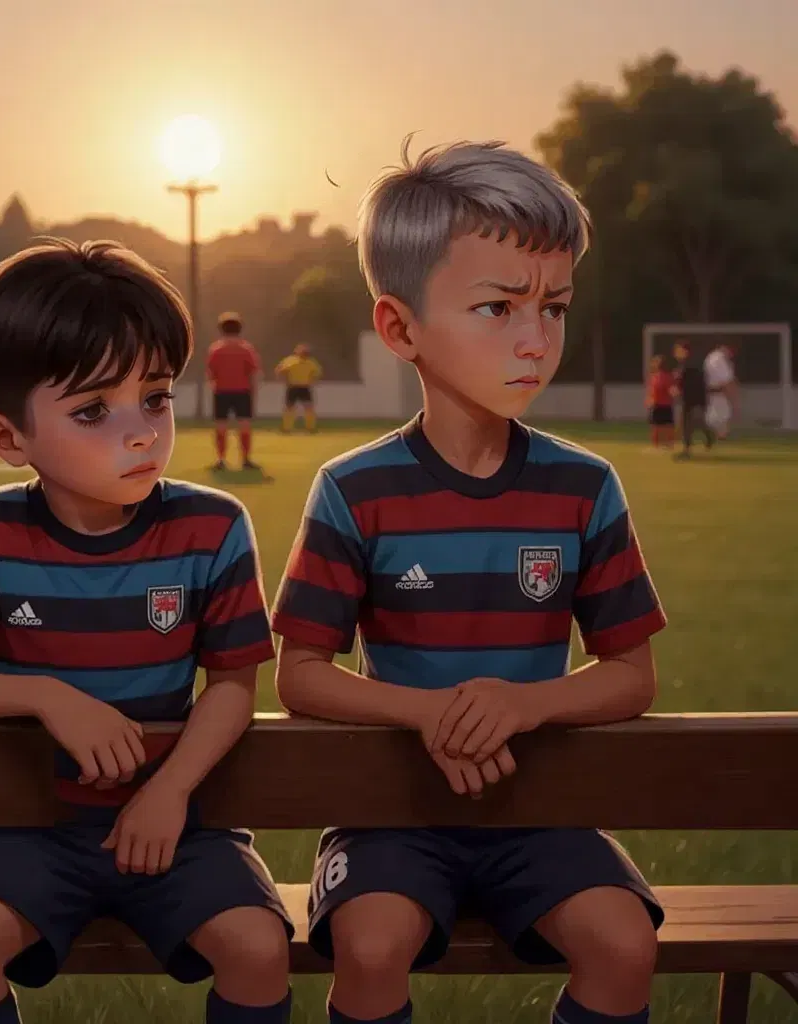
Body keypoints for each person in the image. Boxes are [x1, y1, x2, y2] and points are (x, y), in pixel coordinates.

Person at [271, 141, 667, 1024]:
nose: (535, 340)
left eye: (553, 308)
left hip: (540, 811)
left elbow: (631, 675)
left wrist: (525, 705)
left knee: (624, 943)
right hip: (390, 813)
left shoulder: (585, 486)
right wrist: (432, 713)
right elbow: (298, 674)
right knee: (371, 947)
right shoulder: (354, 488)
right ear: (400, 326)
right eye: (497, 308)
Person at [0, 239, 293, 1024]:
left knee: (257, 944)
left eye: (157, 397)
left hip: (181, 821)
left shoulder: (212, 525)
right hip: (30, 827)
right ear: (9, 439)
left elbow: (235, 685)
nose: (141, 431)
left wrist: (169, 792)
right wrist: (45, 696)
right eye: (92, 411)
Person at [206, 312, 261, 471]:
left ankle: (221, 460)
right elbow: (253, 373)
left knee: (221, 427)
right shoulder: (246, 349)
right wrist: (253, 393)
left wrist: (215, 388)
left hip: (222, 392)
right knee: (244, 426)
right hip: (242, 392)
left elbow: (211, 373)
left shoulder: (215, 349)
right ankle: (245, 460)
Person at [673, 340, 714, 456]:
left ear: (685, 351)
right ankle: (704, 440)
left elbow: (693, 381)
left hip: (695, 398)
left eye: (678, 350)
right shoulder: (685, 364)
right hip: (690, 398)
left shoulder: (691, 363)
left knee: (692, 422)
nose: (676, 353)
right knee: (692, 422)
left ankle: (688, 448)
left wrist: (679, 384)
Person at [275, 343, 323, 432]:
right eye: (301, 351)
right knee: (289, 407)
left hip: (305, 387)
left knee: (309, 408)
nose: (303, 353)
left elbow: (317, 373)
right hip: (293, 386)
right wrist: (283, 380)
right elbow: (279, 370)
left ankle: (310, 428)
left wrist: (312, 381)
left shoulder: (311, 362)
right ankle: (286, 428)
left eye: (305, 351)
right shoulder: (290, 360)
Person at [704, 343, 737, 439]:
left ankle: (720, 434)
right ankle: (720, 434)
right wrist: (732, 395)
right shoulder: (719, 358)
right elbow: (726, 380)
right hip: (718, 392)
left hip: (712, 391)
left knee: (719, 415)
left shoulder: (711, 357)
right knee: (720, 415)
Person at [644, 354, 676, 448]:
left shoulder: (665, 377)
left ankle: (667, 443)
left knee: (665, 426)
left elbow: (671, 390)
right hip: (658, 404)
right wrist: (649, 400)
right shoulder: (654, 377)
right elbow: (651, 390)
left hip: (664, 404)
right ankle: (657, 444)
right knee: (657, 426)